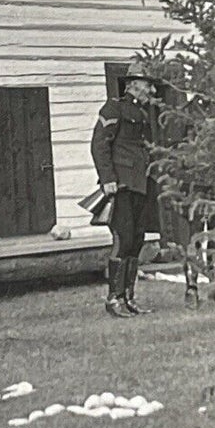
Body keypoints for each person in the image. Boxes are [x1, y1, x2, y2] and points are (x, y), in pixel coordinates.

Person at [90, 69, 161, 318]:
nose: (150, 90)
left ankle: (128, 297)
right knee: (123, 239)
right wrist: (108, 178)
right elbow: (99, 144)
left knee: (137, 240)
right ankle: (113, 299)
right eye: (146, 84)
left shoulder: (142, 113)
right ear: (132, 85)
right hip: (121, 185)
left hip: (140, 184)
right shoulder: (114, 108)